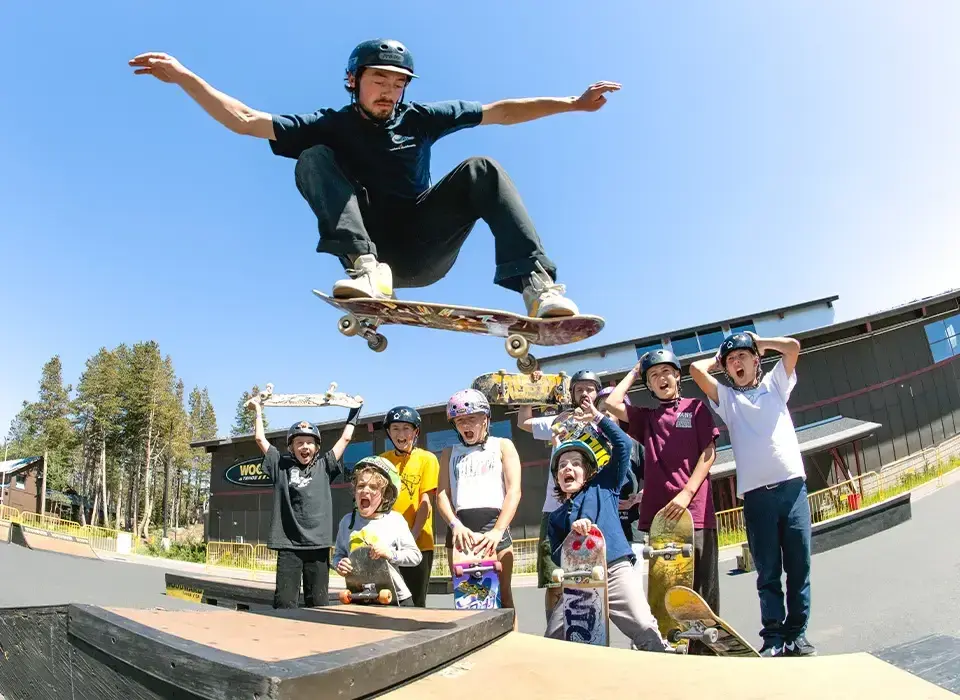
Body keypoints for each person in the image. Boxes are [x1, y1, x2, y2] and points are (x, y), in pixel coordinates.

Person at [128, 41, 621, 318]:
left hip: (425, 246)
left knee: (482, 169)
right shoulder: (330, 122)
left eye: (397, 84)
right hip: (373, 252)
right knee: (312, 156)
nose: (389, 93)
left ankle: (539, 287)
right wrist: (186, 77)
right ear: (354, 81)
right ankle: (365, 269)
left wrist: (571, 104)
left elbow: (500, 111)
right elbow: (243, 119)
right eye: (379, 82)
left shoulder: (423, 116)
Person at [689, 331, 814, 657]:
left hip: (792, 488)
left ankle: (797, 635)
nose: (737, 363)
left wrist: (761, 341)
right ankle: (773, 637)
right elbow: (694, 371)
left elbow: (793, 348)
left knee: (799, 567)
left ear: (757, 360)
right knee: (768, 572)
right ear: (726, 369)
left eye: (743, 356)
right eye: (731, 361)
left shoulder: (775, 385)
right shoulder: (728, 400)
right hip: (757, 497)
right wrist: (719, 358)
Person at [604, 349, 720, 654]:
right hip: (661, 520)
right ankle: (671, 648)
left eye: (666, 372)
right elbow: (611, 404)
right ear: (649, 386)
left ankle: (704, 652)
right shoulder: (647, 419)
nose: (661, 379)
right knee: (665, 590)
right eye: (654, 376)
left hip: (695, 512)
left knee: (701, 590)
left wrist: (686, 493)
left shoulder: (696, 408)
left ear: (677, 376)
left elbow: (709, 453)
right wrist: (634, 371)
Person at [544, 394, 668, 652]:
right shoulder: (557, 517)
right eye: (562, 466)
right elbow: (557, 557)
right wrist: (572, 538)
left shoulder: (604, 487)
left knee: (645, 628)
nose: (569, 469)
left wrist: (597, 418)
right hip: (578, 581)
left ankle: (663, 665)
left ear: (588, 472)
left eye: (576, 464)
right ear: (557, 477)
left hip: (614, 570)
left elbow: (622, 444)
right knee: (552, 640)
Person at [516, 371, 642, 617]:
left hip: (594, 508)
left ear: (597, 393)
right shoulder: (560, 419)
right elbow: (523, 421)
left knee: (596, 579)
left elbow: (621, 453)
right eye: (579, 389)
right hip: (555, 509)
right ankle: (558, 632)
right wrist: (532, 390)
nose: (585, 394)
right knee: (556, 581)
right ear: (571, 394)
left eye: (590, 389)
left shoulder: (604, 421)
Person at [246, 396, 361, 608]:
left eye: (309, 442)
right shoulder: (280, 465)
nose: (304, 446)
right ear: (291, 447)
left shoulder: (325, 465)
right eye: (299, 442)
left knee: (318, 603)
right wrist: (258, 411)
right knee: (285, 604)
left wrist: (355, 410)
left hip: (318, 546)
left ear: (317, 447)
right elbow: (261, 440)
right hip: (289, 546)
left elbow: (344, 439)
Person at [436, 389, 521, 619]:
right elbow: (442, 495)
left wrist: (497, 531)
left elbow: (514, 491)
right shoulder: (448, 452)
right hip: (461, 530)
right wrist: (456, 525)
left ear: (486, 418)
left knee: (503, 596)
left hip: (495, 526)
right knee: (467, 599)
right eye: (460, 420)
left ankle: (512, 647)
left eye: (471, 418)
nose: (466, 425)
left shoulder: (503, 445)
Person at [333, 456, 423, 606]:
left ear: (386, 495)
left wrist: (390, 554)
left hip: (395, 598)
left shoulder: (395, 520)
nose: (365, 491)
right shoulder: (347, 522)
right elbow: (338, 555)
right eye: (360, 486)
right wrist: (340, 564)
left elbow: (415, 556)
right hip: (360, 597)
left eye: (374, 487)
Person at [379, 405, 439, 607]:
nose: (401, 434)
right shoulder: (382, 461)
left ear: (416, 431)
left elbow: (426, 502)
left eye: (406, 428)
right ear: (388, 432)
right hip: (387, 545)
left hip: (419, 542)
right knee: (389, 601)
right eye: (395, 428)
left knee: (416, 602)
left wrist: (411, 537)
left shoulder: (427, 459)